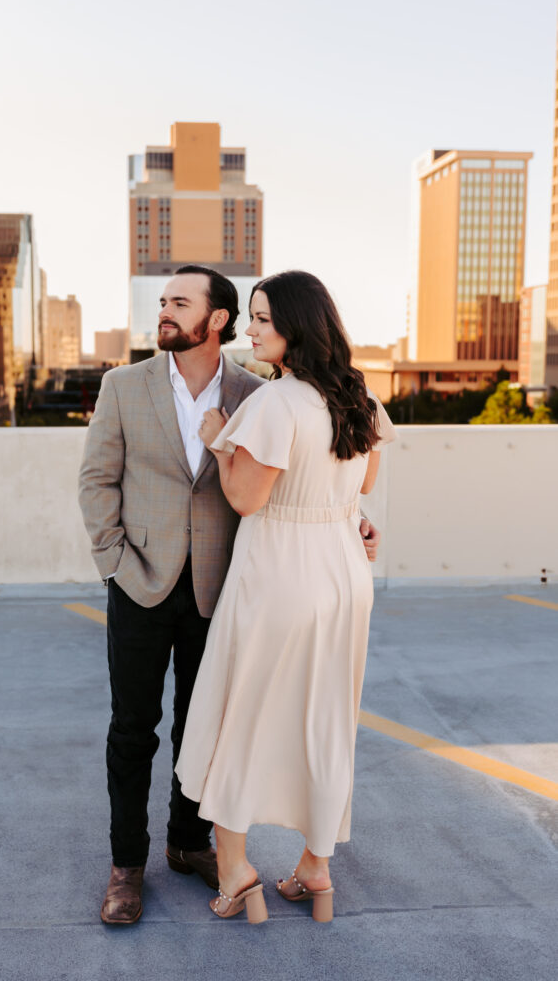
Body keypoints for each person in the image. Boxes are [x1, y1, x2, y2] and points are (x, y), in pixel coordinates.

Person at [78, 265, 383, 926]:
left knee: (206, 726)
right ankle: (126, 866)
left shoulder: (258, 390)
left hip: (227, 587)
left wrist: (348, 518)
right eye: (161, 301)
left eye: (178, 303)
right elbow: (96, 481)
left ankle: (190, 846)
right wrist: (114, 564)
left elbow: (286, 479)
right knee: (133, 730)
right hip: (142, 582)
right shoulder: (122, 386)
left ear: (214, 319)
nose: (163, 311)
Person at [176, 270, 397, 925]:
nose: (251, 329)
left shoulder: (274, 404)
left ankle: (237, 871)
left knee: (238, 714)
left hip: (277, 571)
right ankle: (315, 869)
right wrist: (347, 517)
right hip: (343, 572)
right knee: (325, 719)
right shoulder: (358, 398)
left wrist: (218, 435)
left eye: (262, 318)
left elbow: (247, 497)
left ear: (297, 325)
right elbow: (364, 483)